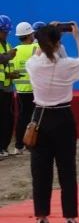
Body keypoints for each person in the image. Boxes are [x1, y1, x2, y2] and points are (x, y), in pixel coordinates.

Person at [26, 23, 79, 223]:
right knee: (67, 170)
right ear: (58, 43)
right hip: (63, 117)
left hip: (40, 117)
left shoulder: (33, 64)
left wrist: (47, 33)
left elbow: (39, 53)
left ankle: (42, 221)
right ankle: (71, 221)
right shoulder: (67, 65)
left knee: (40, 171)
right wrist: (77, 37)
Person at [7, 22, 37, 155]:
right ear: (30, 35)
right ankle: (33, 144)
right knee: (36, 118)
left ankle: (19, 145)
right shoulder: (36, 47)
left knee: (22, 117)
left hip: (20, 90)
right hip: (35, 89)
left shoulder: (14, 50)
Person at [0, 15, 15, 158]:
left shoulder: (8, 45)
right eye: (4, 31)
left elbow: (7, 65)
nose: (6, 34)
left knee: (8, 119)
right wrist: (9, 56)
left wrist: (11, 74)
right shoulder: (9, 50)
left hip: (7, 87)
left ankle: (4, 147)